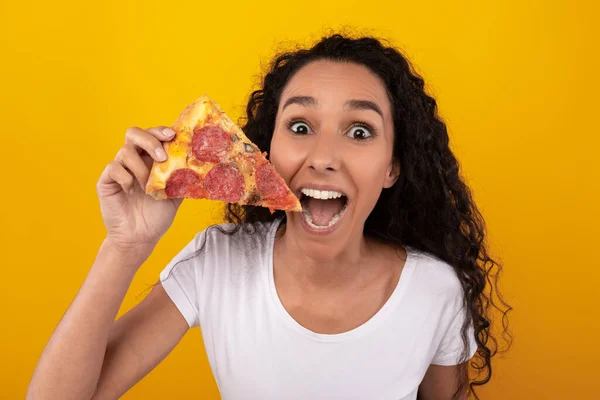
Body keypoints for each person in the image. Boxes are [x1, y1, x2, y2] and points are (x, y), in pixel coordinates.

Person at [27, 34, 510, 400]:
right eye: (300, 126)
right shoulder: (218, 262)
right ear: (267, 152)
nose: (323, 156)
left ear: (392, 167)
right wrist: (124, 245)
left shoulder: (436, 290)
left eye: (359, 131)